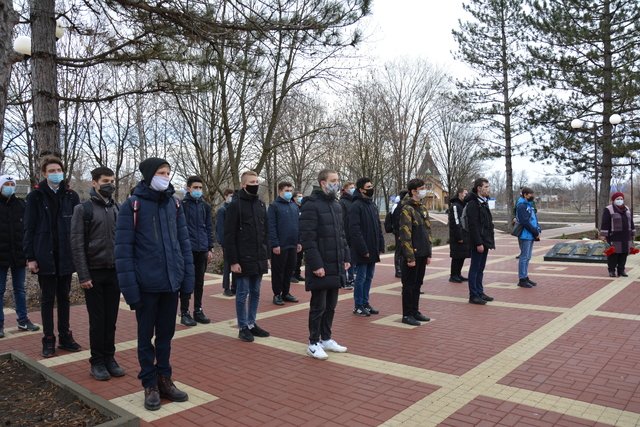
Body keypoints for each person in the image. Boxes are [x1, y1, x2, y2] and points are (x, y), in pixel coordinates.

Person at [115, 157, 194, 411]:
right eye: (161, 172)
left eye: (169, 172)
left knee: (166, 337)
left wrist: (187, 279)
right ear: (150, 175)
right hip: (146, 287)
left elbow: (184, 244)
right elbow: (123, 252)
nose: (166, 176)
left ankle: (164, 379)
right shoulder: (132, 206)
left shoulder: (174, 204)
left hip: (171, 284)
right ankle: (149, 384)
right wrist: (130, 291)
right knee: (144, 338)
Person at [70, 167, 124, 381]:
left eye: (111, 180)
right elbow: (76, 244)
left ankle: (110, 358)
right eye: (104, 180)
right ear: (94, 183)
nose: (109, 184)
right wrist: (83, 275)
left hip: (114, 273)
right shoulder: (83, 209)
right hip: (93, 274)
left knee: (111, 320)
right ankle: (97, 362)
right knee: (98, 320)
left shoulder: (117, 208)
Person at [24, 156, 81, 357]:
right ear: (44, 174)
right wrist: (30, 257)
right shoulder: (35, 197)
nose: (56, 173)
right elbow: (28, 229)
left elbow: (77, 227)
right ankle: (48, 339)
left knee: (64, 298)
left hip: (65, 256)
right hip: (45, 255)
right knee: (48, 299)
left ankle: (65, 335)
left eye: (59, 169)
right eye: (51, 170)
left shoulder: (71, 195)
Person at [300, 169, 350, 360]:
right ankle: (313, 342)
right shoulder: (311, 205)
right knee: (318, 306)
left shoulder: (336, 205)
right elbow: (308, 239)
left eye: (337, 180)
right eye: (333, 181)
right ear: (322, 183)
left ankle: (326, 338)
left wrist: (346, 257)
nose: (336, 184)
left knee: (331, 305)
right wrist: (316, 265)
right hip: (321, 265)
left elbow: (341, 235)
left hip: (336, 263)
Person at [224, 171, 270, 342]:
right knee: (242, 293)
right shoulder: (235, 205)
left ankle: (252, 323)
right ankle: (243, 326)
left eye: (257, 181)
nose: (255, 184)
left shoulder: (260, 204)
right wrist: (233, 261)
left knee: (256, 292)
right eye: (252, 181)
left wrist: (266, 254)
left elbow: (265, 232)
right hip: (242, 258)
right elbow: (229, 236)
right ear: (244, 184)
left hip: (258, 257)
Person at [0, 175, 40, 339]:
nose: (9, 187)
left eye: (12, 184)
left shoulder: (21, 205)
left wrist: (28, 253)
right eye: (6, 184)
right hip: (0, 256)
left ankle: (23, 320)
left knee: (20, 290)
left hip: (18, 255)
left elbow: (27, 230)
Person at [179, 176, 214, 326]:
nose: (198, 190)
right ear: (188, 188)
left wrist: (210, 247)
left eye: (200, 188)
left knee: (199, 282)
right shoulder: (182, 205)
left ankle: (198, 310)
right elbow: (178, 228)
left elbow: (208, 227)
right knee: (187, 281)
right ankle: (185, 312)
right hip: (187, 250)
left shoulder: (205, 206)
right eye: (195, 188)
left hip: (202, 249)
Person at [398, 179, 432, 326]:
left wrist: (428, 252)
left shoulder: (422, 207)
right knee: (409, 285)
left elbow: (427, 230)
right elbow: (405, 234)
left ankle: (415, 311)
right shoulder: (407, 208)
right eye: (421, 188)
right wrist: (410, 256)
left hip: (422, 252)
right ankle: (407, 314)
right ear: (413, 191)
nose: (424, 190)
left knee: (418, 283)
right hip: (412, 254)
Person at [349, 177, 385, 317]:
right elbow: (355, 230)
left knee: (369, 277)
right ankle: (358, 305)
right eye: (368, 186)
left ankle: (365, 302)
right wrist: (363, 249)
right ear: (361, 189)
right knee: (361, 278)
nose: (371, 188)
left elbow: (377, 226)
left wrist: (380, 245)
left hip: (373, 248)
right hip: (362, 250)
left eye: (371, 186)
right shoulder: (356, 206)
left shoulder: (371, 205)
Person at [268, 182, 300, 305]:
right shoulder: (274, 206)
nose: (289, 193)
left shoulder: (294, 206)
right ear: (280, 191)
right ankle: (277, 294)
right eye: (287, 190)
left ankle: (286, 293)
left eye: (291, 190)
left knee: (289, 270)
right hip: (280, 246)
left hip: (292, 244)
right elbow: (271, 226)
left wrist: (299, 241)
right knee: (278, 271)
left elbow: (298, 225)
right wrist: (275, 244)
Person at [464, 177, 495, 305]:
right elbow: (473, 225)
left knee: (481, 268)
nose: (488, 189)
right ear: (479, 188)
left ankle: (480, 291)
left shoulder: (483, 202)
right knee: (475, 268)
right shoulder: (473, 204)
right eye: (486, 187)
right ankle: (474, 295)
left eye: (488, 187)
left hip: (485, 240)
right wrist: (478, 243)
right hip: (478, 242)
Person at [601, 192, 635, 277]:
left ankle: (621, 270)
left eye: (621, 199)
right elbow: (605, 223)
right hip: (614, 236)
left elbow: (631, 221)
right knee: (613, 254)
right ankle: (612, 270)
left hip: (625, 235)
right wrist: (603, 235)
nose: (620, 200)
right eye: (617, 199)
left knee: (624, 253)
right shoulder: (609, 209)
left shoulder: (627, 208)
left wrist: (633, 232)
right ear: (613, 200)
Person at [515, 187, 541, 288]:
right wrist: (535, 231)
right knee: (524, 257)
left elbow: (533, 219)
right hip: (525, 235)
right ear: (525, 195)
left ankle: (525, 277)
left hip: (530, 235)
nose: (532, 196)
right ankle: (522, 279)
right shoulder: (522, 206)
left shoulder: (528, 205)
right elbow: (525, 222)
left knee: (528, 257)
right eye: (530, 194)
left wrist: (538, 229)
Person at [216, 189, 236, 296]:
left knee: (235, 264)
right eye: (230, 196)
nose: (231, 198)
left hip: (235, 242)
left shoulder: (234, 210)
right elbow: (220, 228)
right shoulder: (222, 210)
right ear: (225, 196)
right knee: (227, 266)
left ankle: (234, 286)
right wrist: (223, 243)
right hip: (227, 243)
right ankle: (226, 287)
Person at [448, 188, 470, 283]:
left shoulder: (463, 205)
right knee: (456, 256)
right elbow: (456, 222)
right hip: (457, 236)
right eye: (465, 193)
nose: (466, 195)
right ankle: (453, 275)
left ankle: (458, 274)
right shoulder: (455, 206)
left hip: (464, 234)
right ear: (460, 194)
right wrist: (459, 236)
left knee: (462, 255)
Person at [339, 182, 356, 290]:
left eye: (354, 187)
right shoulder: (342, 203)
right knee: (346, 258)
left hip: (352, 235)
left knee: (351, 258)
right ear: (345, 190)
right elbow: (342, 221)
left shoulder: (353, 202)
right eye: (351, 188)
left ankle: (351, 278)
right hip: (346, 235)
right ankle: (344, 280)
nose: (353, 189)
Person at [290, 191, 305, 283]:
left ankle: (297, 274)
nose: (301, 198)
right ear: (294, 198)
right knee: (294, 257)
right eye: (299, 196)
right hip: (294, 235)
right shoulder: (292, 207)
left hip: (301, 235)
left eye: (301, 196)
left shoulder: (302, 208)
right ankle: (291, 274)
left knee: (300, 257)